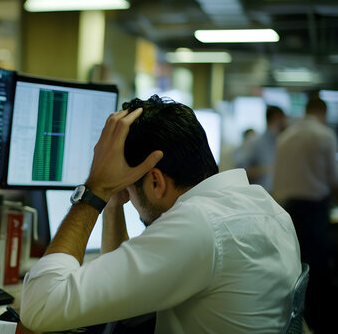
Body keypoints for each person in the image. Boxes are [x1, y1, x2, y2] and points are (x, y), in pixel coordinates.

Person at [20, 95, 301, 333]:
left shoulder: (197, 226)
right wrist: (114, 203)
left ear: (155, 182)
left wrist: (95, 189)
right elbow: (121, 299)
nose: (126, 195)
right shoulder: (260, 205)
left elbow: (41, 307)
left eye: (128, 188)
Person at [272, 95, 338, 333]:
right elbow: (333, 180)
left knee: (294, 268)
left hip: (286, 211)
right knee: (317, 273)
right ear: (322, 113)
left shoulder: (286, 136)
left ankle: (296, 322)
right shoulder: (324, 135)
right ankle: (319, 324)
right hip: (314, 210)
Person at [237, 106, 287, 192]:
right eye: (283, 120)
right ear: (276, 119)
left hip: (276, 198)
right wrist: (264, 170)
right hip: (258, 198)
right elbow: (239, 171)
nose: (286, 123)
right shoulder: (255, 142)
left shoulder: (281, 143)